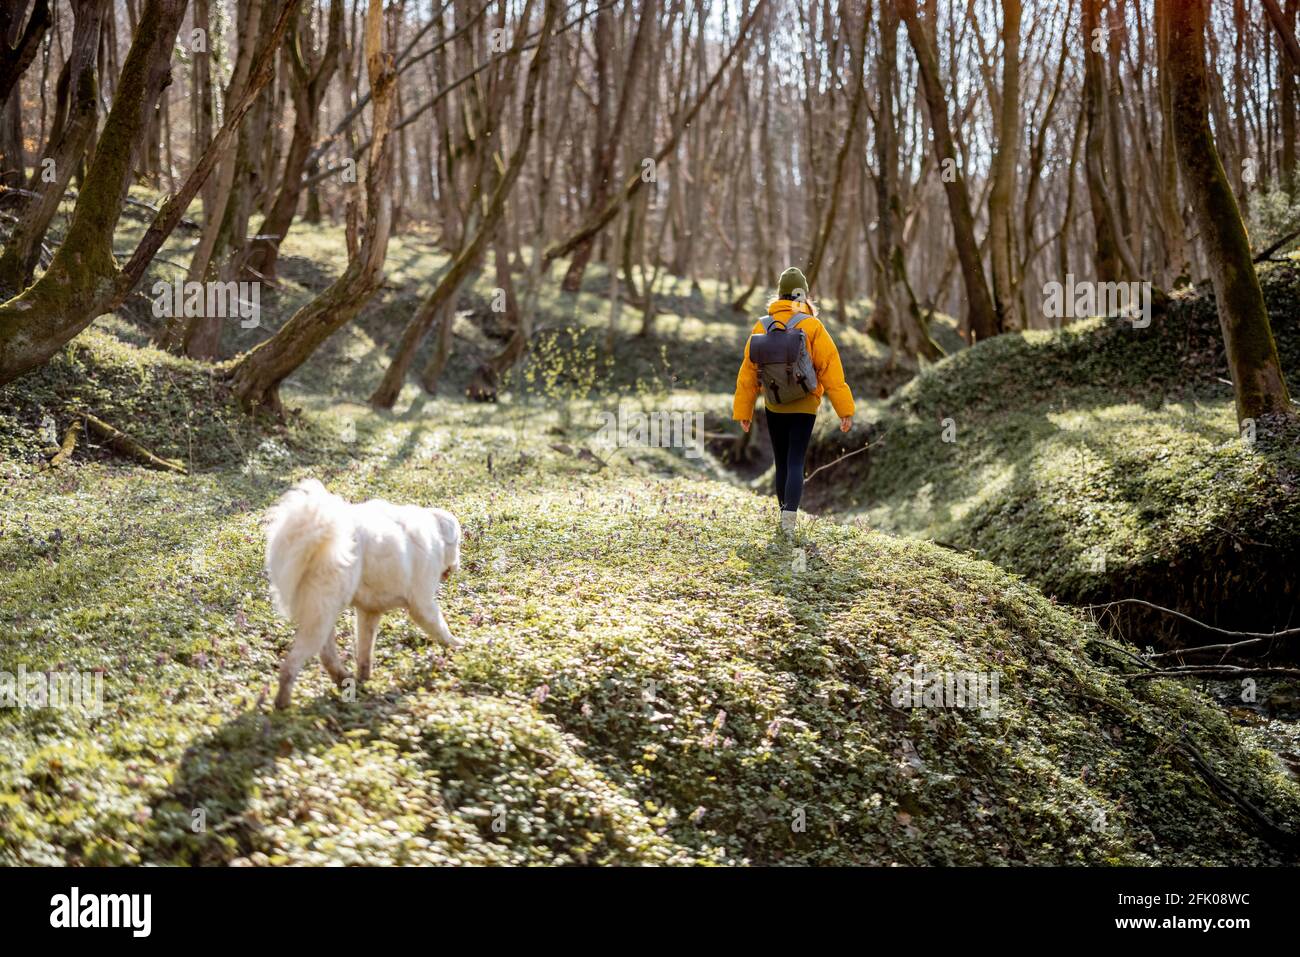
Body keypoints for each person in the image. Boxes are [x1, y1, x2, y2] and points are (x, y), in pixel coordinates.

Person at [733, 266, 855, 535]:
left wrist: (744, 410)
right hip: (804, 404)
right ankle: (789, 520)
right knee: (796, 460)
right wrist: (844, 409)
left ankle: (781, 517)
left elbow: (748, 372)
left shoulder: (762, 325)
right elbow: (831, 368)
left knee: (781, 462)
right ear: (804, 296)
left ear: (779, 296)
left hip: (774, 403)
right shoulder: (812, 326)